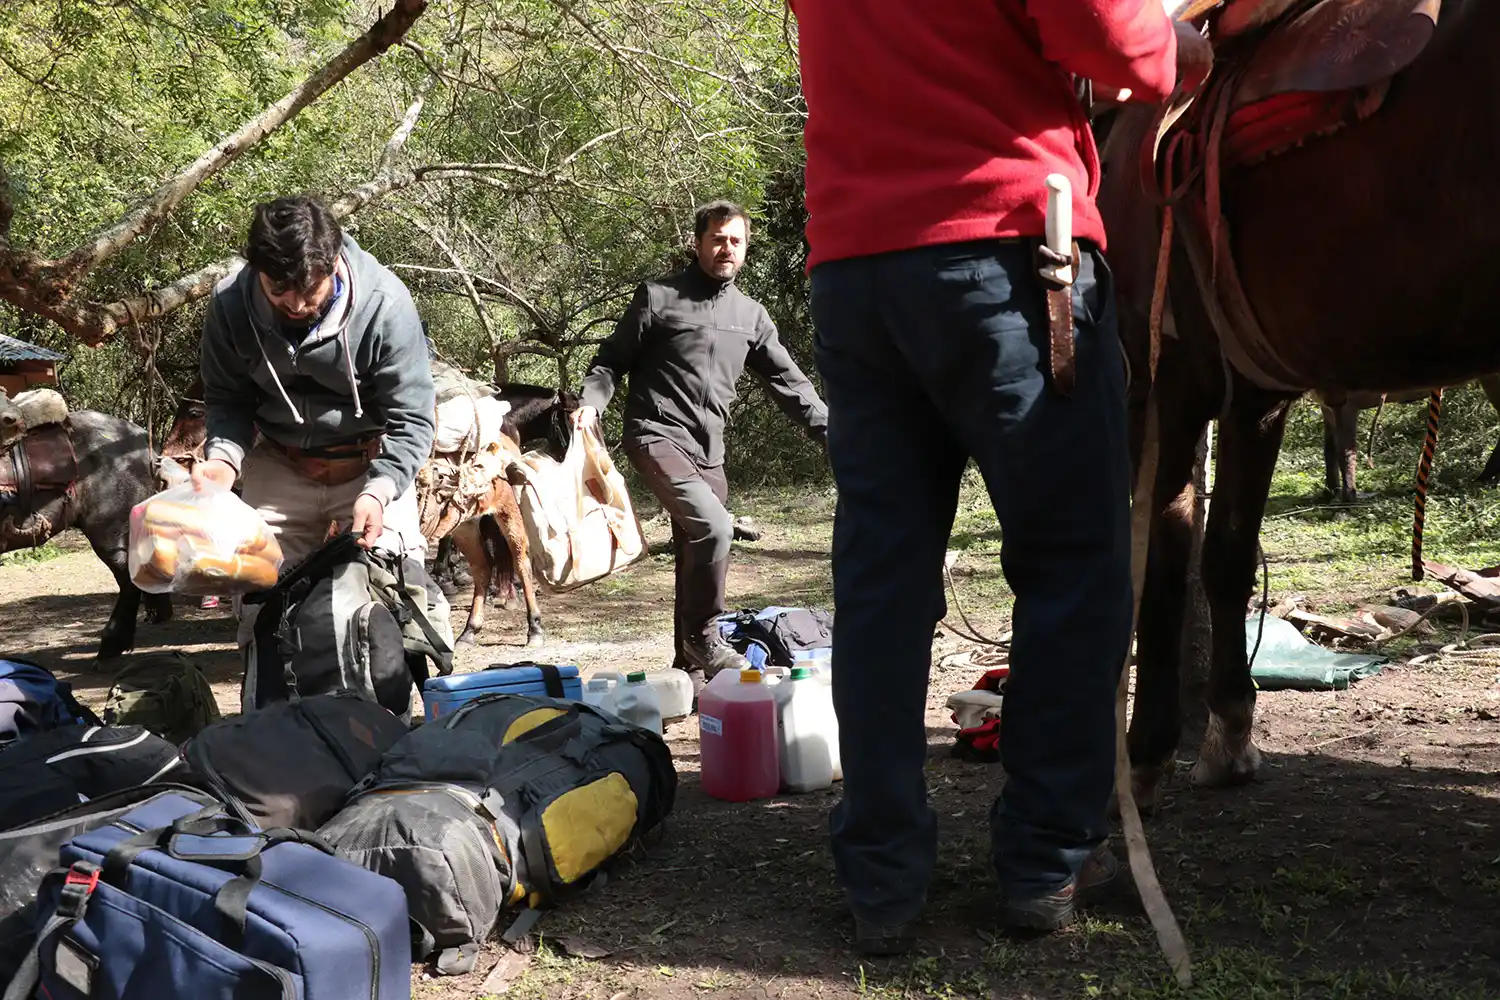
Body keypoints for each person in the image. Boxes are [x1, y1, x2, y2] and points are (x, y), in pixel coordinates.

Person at [788, 0, 1210, 954]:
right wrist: (1179, 45)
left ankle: (882, 877)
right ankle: (1046, 859)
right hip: (1009, 256)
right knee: (1072, 568)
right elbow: (1109, 35)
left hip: (856, 273)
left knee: (881, 579)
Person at [578, 200, 828, 690]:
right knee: (714, 528)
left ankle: (689, 674)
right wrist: (592, 402)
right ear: (698, 243)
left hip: (708, 452)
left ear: (746, 247)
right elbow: (610, 361)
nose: (726, 248)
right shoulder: (659, 297)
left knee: (699, 552)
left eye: (735, 240)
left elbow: (791, 385)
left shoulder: (751, 316)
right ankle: (707, 634)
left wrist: (835, 433)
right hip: (655, 434)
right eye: (717, 238)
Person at [192, 194, 449, 660]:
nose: (295, 304)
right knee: (259, 604)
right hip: (280, 462)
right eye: (278, 292)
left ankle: (398, 720)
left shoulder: (385, 304)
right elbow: (228, 400)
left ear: (333, 262)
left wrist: (380, 489)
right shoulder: (229, 305)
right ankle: (273, 715)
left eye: (309, 291)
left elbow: (413, 417)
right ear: (257, 272)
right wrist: (223, 461)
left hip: (370, 465)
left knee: (401, 600)